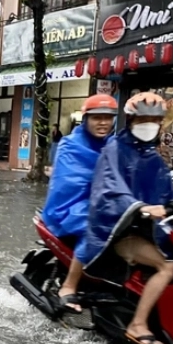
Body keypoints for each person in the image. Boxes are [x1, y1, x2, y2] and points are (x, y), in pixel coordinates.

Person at [77, 92, 173, 344]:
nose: (149, 124)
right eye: (143, 118)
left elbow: (169, 192)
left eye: (154, 120)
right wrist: (141, 207)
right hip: (119, 231)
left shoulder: (154, 157)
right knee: (168, 266)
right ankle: (138, 324)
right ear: (131, 120)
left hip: (148, 230)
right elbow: (110, 190)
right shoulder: (114, 149)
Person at [41, 94, 117, 313]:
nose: (103, 122)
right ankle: (69, 286)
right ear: (85, 119)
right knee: (95, 227)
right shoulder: (70, 145)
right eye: (97, 118)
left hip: (107, 203)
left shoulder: (114, 145)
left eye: (108, 117)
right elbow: (69, 183)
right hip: (70, 207)